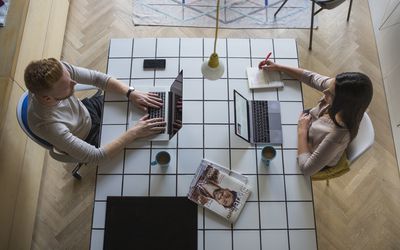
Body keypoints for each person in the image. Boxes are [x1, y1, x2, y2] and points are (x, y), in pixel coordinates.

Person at [24, 58, 166, 164]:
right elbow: (96, 157)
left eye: (70, 78)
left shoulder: (59, 71)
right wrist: (134, 133)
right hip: (86, 136)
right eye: (68, 86)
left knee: (133, 107)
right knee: (141, 147)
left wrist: (130, 93)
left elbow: (97, 78)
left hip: (87, 109)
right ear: (47, 98)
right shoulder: (48, 125)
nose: (74, 83)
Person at [259, 60, 373, 176]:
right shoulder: (337, 90)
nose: (324, 91)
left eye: (330, 94)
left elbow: (306, 169)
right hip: (307, 127)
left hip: (309, 151)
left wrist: (302, 131)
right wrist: (279, 67)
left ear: (342, 105)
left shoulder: (338, 136)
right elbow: (311, 78)